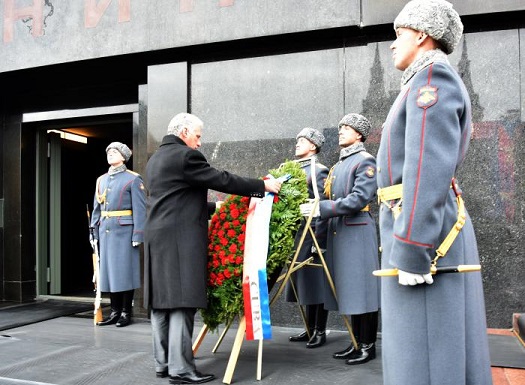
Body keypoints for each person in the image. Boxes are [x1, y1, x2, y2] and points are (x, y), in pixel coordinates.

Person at [376, 1, 492, 384]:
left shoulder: (432, 81)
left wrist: (411, 247)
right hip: (418, 223)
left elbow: (427, 168)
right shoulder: (421, 81)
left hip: (423, 233)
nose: (392, 44)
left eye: (399, 34)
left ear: (422, 34)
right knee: (426, 349)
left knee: (423, 356)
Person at [143, 112, 282, 384]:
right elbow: (222, 179)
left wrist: (214, 208)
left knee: (161, 303)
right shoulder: (186, 156)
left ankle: (163, 364)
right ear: (184, 132)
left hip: (156, 238)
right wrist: (262, 186)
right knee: (182, 302)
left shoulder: (155, 159)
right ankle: (181, 369)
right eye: (197, 136)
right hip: (179, 241)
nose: (199, 143)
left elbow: (173, 198)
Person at [300, 113, 380, 365]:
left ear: (359, 134)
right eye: (341, 127)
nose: (342, 131)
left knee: (363, 291)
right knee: (350, 289)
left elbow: (359, 199)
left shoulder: (365, 161)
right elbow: (329, 197)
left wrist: (322, 209)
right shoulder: (339, 165)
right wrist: (316, 206)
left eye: (347, 128)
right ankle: (356, 342)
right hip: (341, 233)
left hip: (357, 232)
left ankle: (367, 345)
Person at [90, 142, 146, 328]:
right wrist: (94, 230)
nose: (110, 154)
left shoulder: (133, 179)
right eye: (109, 152)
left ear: (124, 156)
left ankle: (125, 312)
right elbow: (97, 208)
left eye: (114, 152)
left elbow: (140, 209)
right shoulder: (101, 180)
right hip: (106, 231)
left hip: (125, 232)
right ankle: (114, 312)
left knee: (124, 273)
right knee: (109, 273)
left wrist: (138, 235)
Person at [285, 127, 330, 349]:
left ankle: (320, 331)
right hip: (296, 235)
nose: (297, 143)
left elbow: (320, 207)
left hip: (310, 234)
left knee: (316, 283)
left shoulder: (318, 170)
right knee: (303, 283)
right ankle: (309, 328)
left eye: (302, 140)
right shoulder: (291, 169)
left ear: (313, 145)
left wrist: (318, 242)